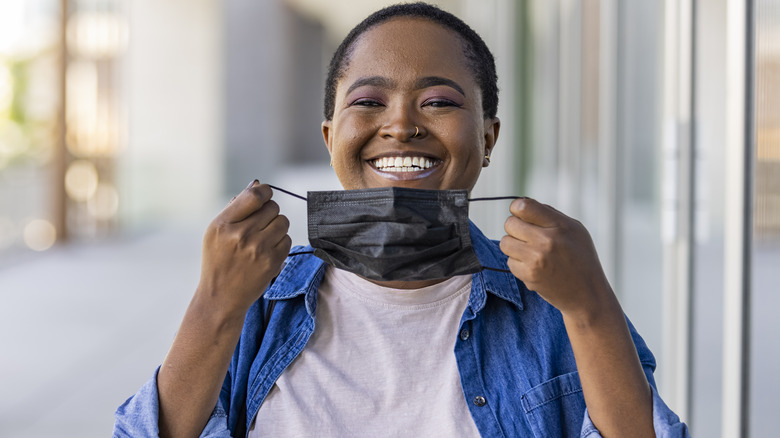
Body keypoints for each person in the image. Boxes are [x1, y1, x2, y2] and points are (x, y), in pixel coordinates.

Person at [114, 3, 690, 437]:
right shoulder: (256, 304)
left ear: (488, 138)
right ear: (329, 137)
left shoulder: (556, 305)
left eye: (438, 101)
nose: (400, 125)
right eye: (367, 102)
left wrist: (590, 307)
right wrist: (214, 304)